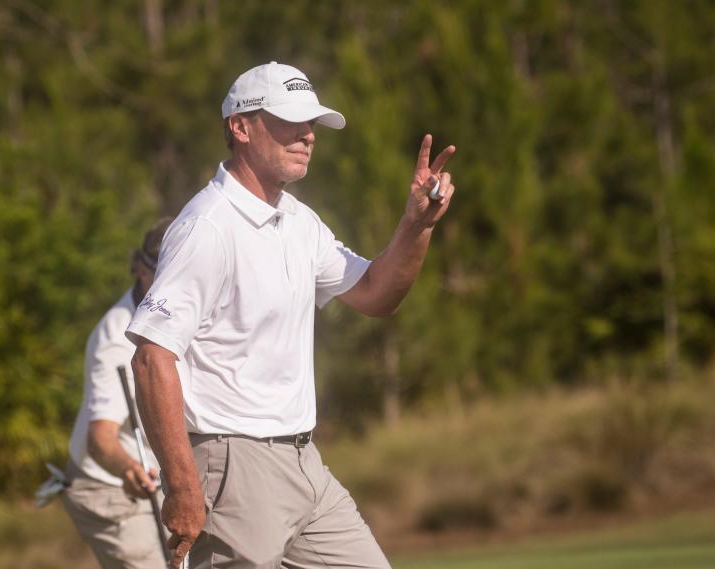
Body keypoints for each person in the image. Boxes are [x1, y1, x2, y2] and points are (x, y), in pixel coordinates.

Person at [126, 61, 456, 569]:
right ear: (240, 127)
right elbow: (151, 358)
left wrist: (416, 225)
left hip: (305, 463)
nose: (307, 135)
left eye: (312, 124)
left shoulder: (299, 221)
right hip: (232, 466)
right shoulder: (207, 228)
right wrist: (182, 484)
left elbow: (376, 294)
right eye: (290, 121)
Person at [62, 219, 173, 569]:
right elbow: (101, 437)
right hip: (109, 487)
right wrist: (129, 469)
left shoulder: (176, 310)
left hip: (159, 481)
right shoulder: (116, 338)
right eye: (166, 272)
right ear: (141, 268)